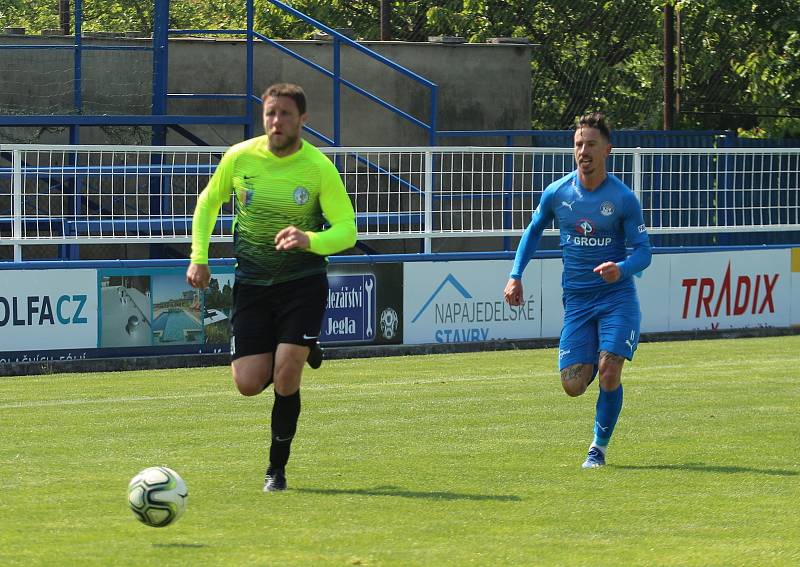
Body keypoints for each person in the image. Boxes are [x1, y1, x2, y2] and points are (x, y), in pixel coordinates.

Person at [186, 83, 357, 491]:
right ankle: (301, 349)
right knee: (247, 384)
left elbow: (348, 230)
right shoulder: (240, 157)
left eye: (284, 114)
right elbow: (208, 202)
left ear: (302, 119)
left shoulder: (317, 167)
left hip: (303, 283)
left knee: (285, 375)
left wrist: (309, 239)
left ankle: (276, 470)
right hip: (253, 284)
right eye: (270, 114)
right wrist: (199, 256)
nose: (276, 121)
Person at [503, 112, 651, 468]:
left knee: (610, 371)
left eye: (590, 144)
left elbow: (644, 251)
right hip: (578, 302)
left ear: (607, 150)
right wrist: (515, 274)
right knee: (572, 385)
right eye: (578, 144)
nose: (583, 151)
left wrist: (623, 269)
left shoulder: (623, 198)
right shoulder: (557, 192)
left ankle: (597, 449)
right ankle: (599, 368)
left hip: (617, 299)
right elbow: (533, 230)